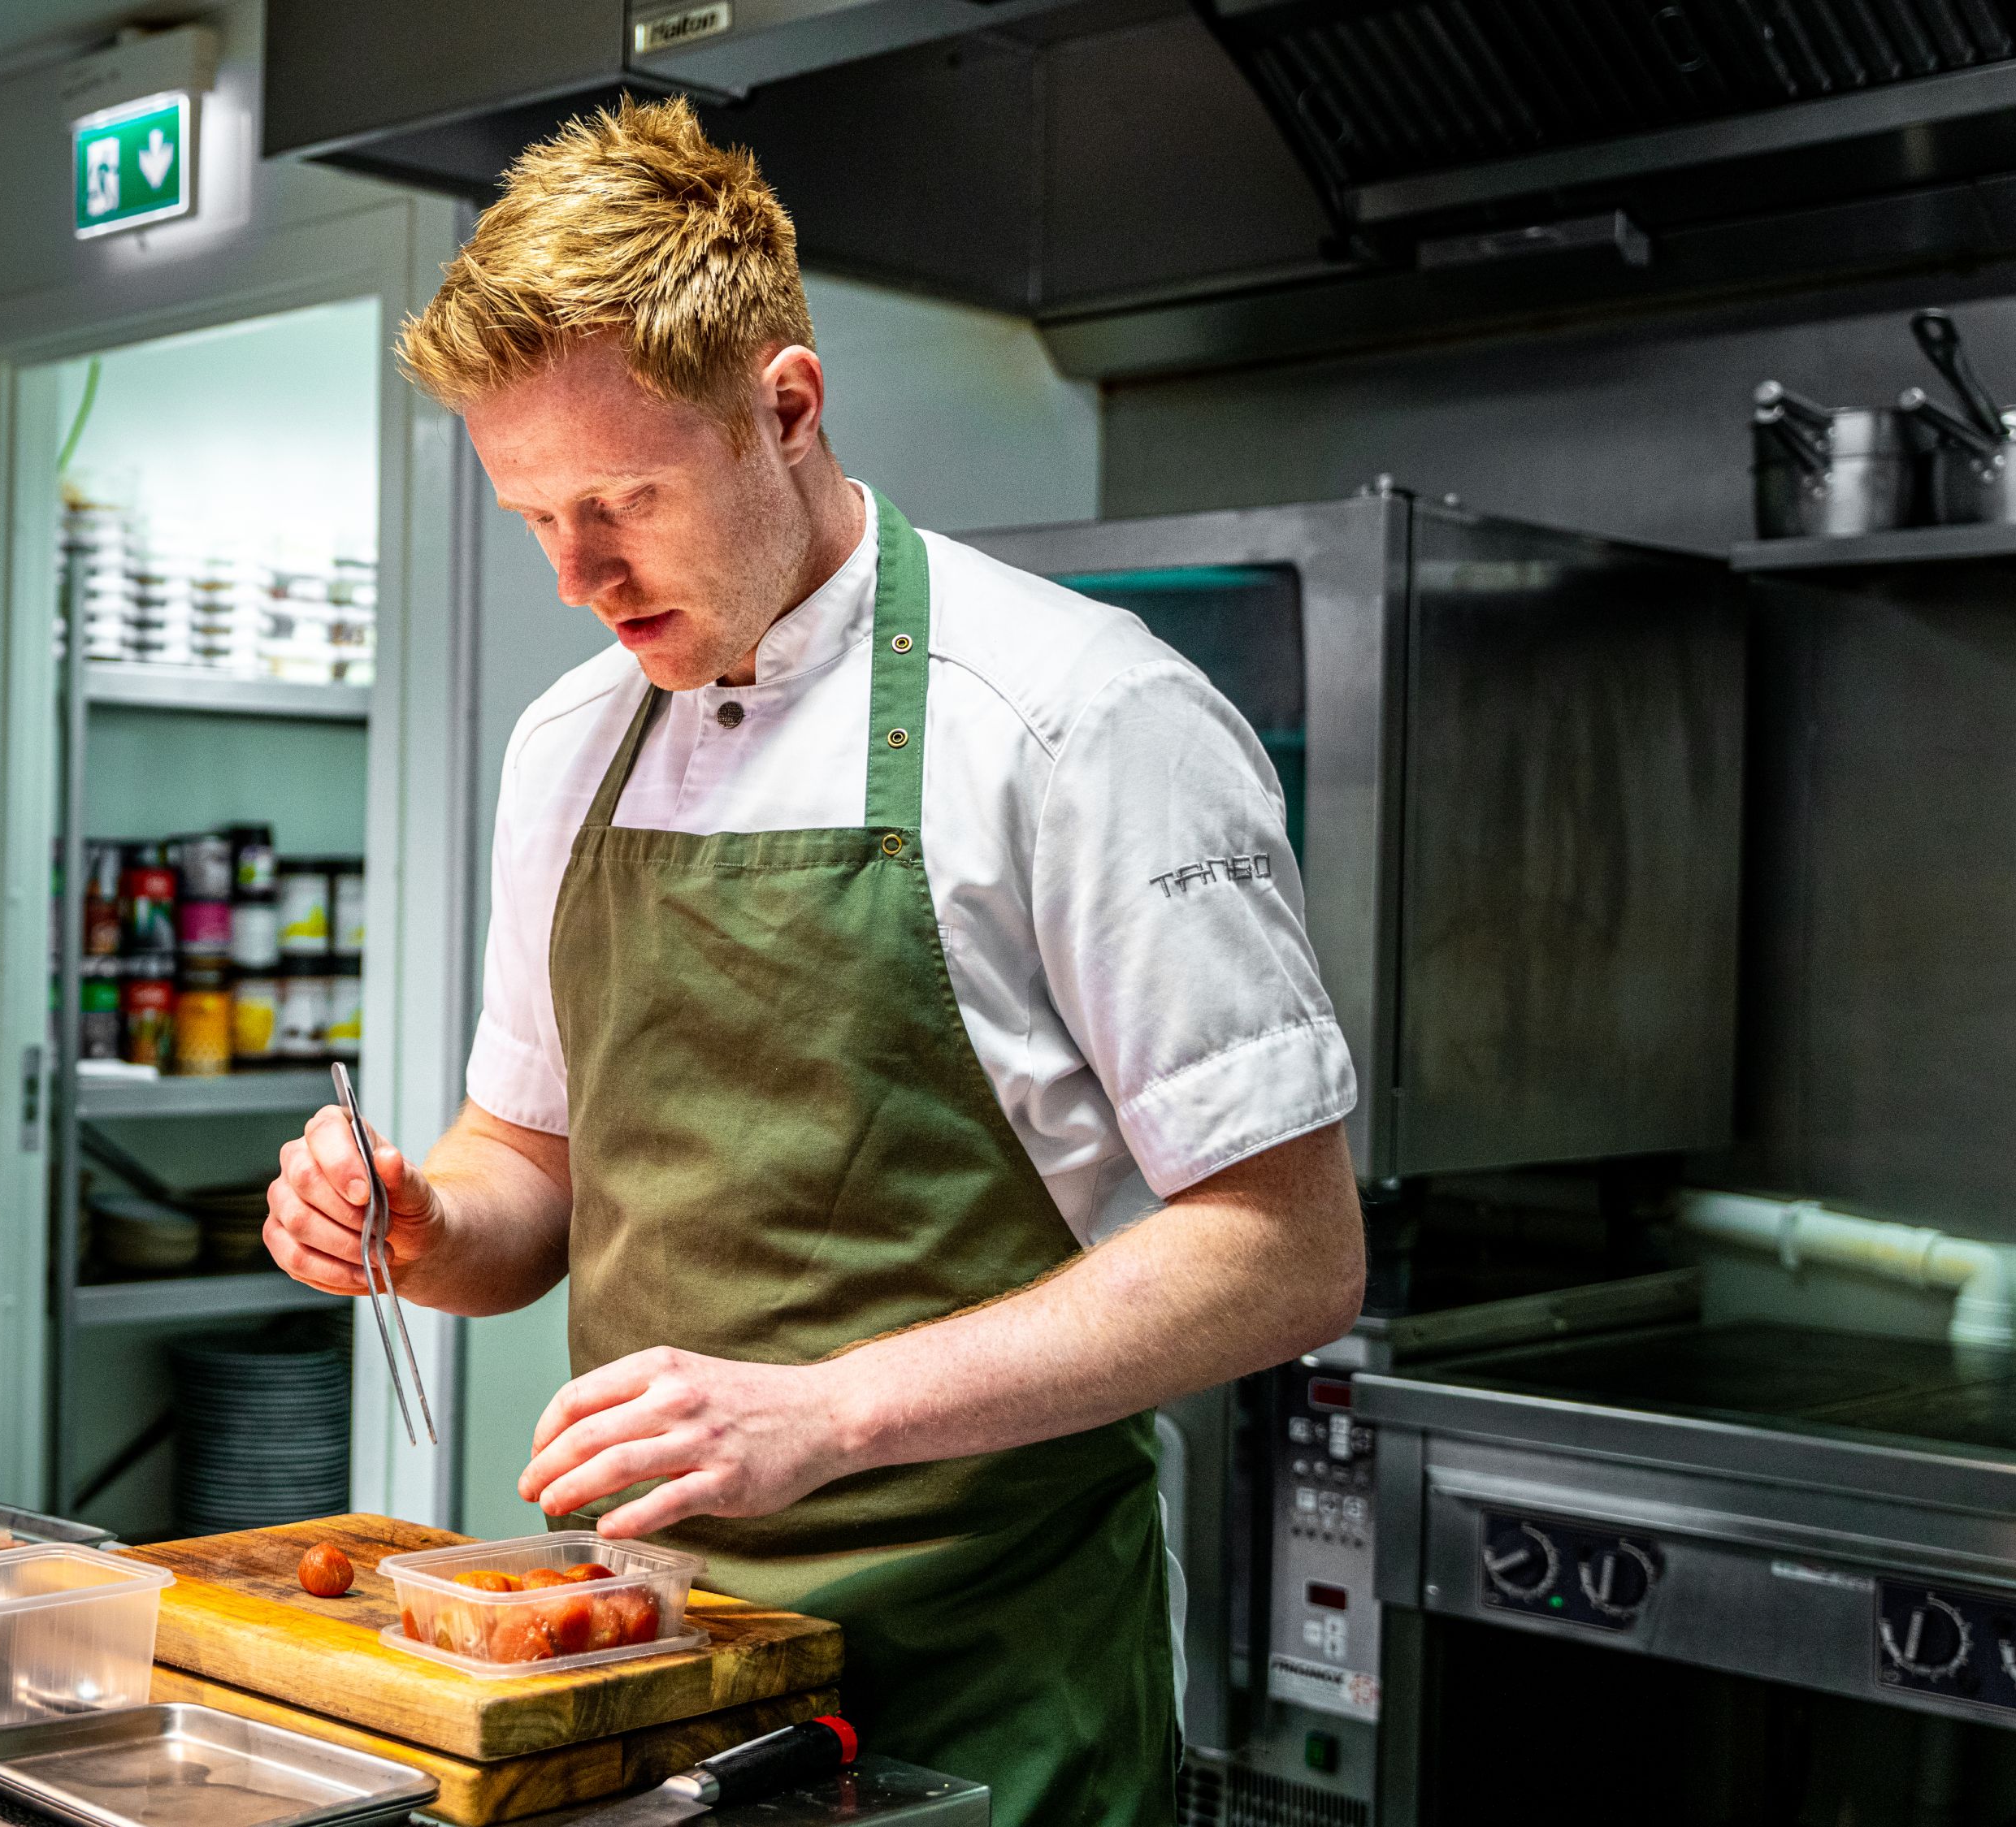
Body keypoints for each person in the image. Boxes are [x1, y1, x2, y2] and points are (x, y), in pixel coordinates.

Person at [262, 97, 1367, 1826]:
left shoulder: (1082, 717)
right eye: (532, 511)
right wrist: (416, 1222)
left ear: (783, 407)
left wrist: (831, 1413)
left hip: (986, 1692)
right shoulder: (570, 744)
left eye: (621, 499)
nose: (576, 575)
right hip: (626, 1674)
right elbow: (526, 1173)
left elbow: (1284, 1254)